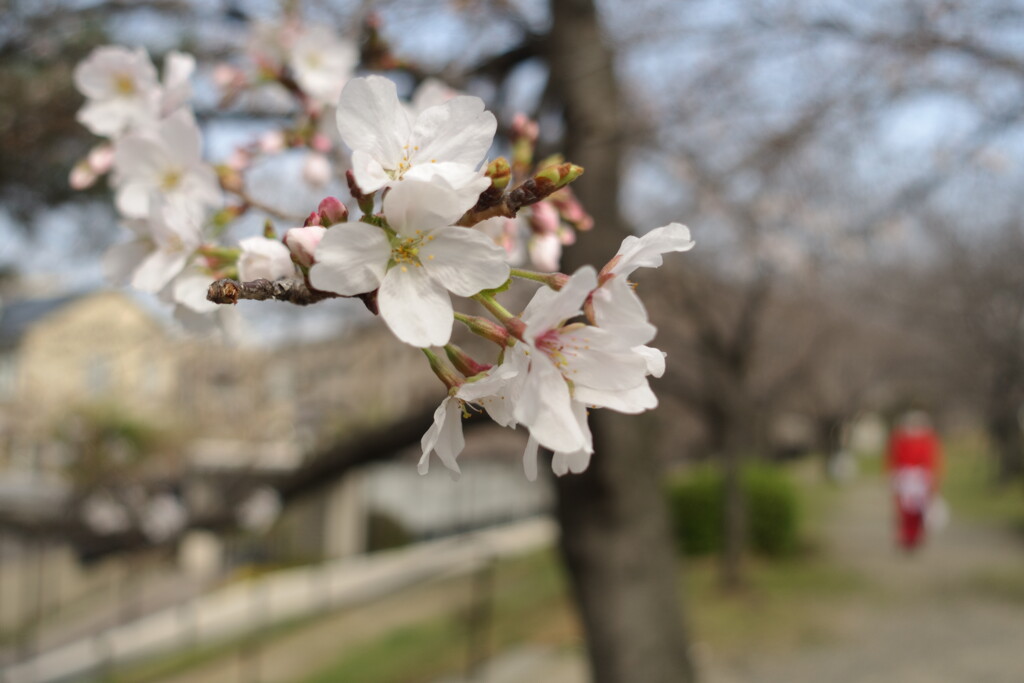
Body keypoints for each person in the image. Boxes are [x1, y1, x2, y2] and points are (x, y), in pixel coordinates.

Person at [886, 411, 942, 551]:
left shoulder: (927, 438)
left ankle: (917, 536)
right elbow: (894, 457)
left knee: (920, 509)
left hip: (920, 478)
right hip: (904, 477)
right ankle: (905, 536)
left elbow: (931, 458)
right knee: (904, 510)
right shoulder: (900, 438)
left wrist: (930, 476)